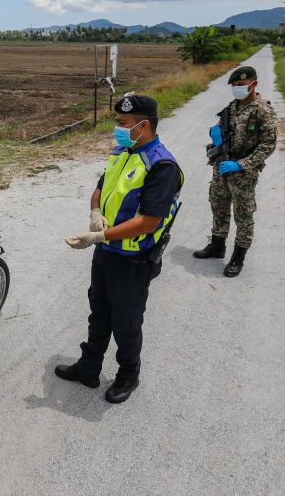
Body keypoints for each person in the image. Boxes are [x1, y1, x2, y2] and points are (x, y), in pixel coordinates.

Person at [58, 94, 183, 404]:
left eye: (122, 124)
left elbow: (149, 221)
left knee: (126, 321)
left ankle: (128, 375)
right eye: (117, 123)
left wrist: (100, 237)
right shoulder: (122, 151)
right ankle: (89, 367)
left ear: (143, 125)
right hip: (107, 254)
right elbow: (101, 187)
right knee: (98, 311)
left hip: (133, 260)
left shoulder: (161, 165)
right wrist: (94, 211)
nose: (117, 129)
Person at [193, 66, 277, 277]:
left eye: (241, 85)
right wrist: (216, 129)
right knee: (218, 205)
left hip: (243, 172)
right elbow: (223, 125)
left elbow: (268, 145)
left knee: (243, 214)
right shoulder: (232, 107)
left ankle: (238, 257)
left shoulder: (263, 111)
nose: (238, 89)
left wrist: (243, 164)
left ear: (254, 84)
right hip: (222, 166)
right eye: (235, 86)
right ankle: (217, 245)